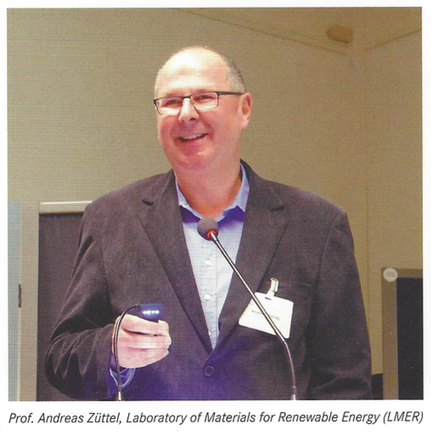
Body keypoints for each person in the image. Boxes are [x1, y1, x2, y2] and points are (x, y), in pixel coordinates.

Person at [45, 46, 372, 400]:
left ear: (244, 109)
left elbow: (345, 383)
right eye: (171, 102)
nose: (186, 114)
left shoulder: (316, 225)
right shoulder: (112, 219)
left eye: (204, 97)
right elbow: (62, 356)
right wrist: (110, 350)